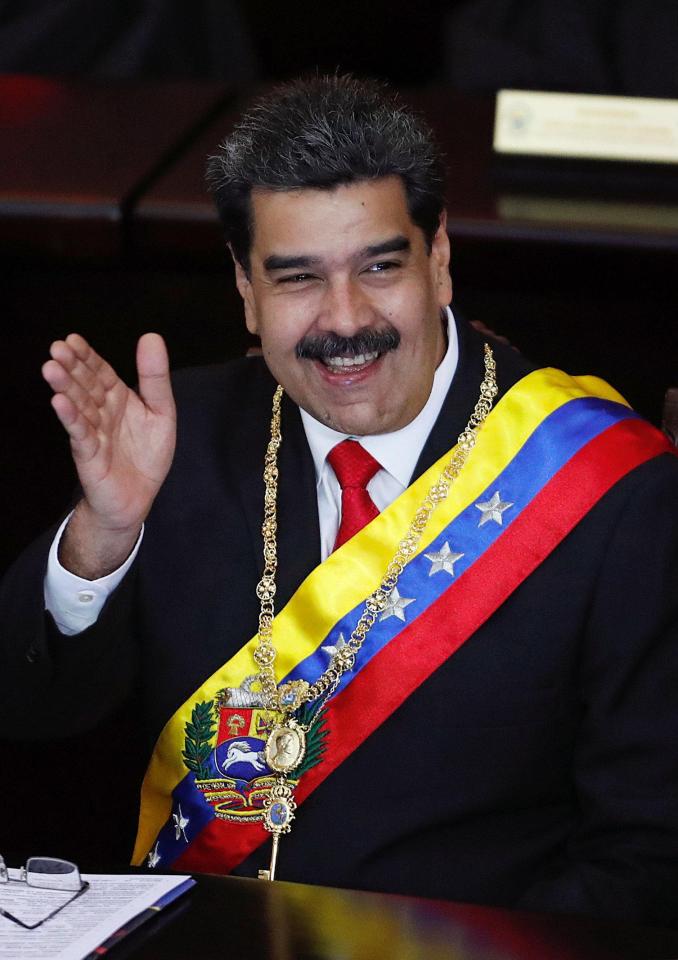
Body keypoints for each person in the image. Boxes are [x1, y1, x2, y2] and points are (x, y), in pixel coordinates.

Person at [1, 74, 678, 925]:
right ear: (246, 292)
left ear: (439, 262)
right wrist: (102, 535)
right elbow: (29, 720)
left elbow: (647, 860)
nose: (346, 319)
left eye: (379, 267)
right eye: (297, 280)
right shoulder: (174, 439)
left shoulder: (606, 493)